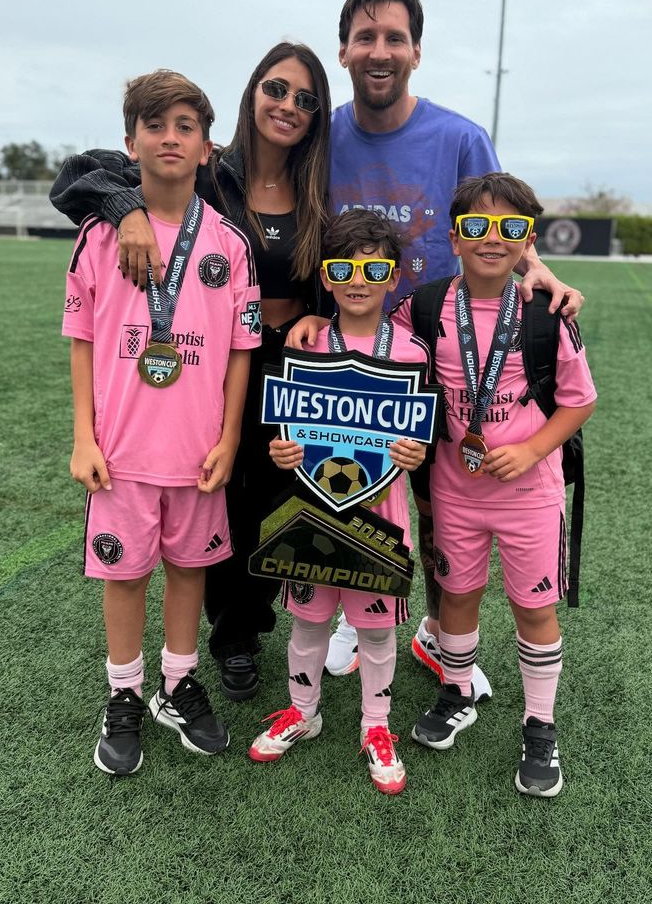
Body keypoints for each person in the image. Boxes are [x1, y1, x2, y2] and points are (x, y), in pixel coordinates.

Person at [286, 0, 584, 689]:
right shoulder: (321, 140)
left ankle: (427, 632)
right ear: (344, 51)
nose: (379, 50)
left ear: (416, 51)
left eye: (393, 37)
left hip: (443, 346)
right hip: (356, 349)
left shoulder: (459, 135)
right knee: (353, 485)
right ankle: (360, 623)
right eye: (365, 38)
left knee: (436, 500)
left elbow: (498, 216)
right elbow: (294, 224)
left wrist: (538, 273)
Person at [51, 43, 331, 701]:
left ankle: (259, 626)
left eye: (305, 97)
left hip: (285, 359)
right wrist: (125, 212)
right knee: (217, 500)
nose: (287, 105)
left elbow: (340, 260)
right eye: (276, 89)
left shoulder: (320, 183)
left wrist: (319, 314)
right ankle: (227, 640)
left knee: (268, 500)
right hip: (201, 356)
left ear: (316, 115)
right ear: (251, 95)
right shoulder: (213, 167)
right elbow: (76, 177)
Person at [62, 69, 261, 775]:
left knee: (189, 571)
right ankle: (124, 694)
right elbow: (82, 341)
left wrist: (232, 437)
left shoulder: (230, 246)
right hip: (118, 451)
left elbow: (240, 350)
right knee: (125, 579)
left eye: (185, 127)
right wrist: (84, 437)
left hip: (198, 450)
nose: (170, 138)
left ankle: (177, 684)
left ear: (208, 148)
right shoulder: (99, 236)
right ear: (130, 142)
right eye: (156, 126)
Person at [391, 172, 596, 797]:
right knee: (455, 599)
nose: (491, 239)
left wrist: (533, 449)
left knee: (534, 608)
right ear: (456, 237)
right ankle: (457, 690)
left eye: (509, 229)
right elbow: (371, 333)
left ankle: (540, 723)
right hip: (454, 493)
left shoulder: (546, 314)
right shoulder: (424, 307)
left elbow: (579, 401)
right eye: (477, 227)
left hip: (531, 495)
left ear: (526, 241)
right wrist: (314, 331)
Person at [248, 210, 428, 794]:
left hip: (380, 516)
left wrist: (414, 453)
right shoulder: (305, 341)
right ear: (326, 277)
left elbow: (419, 433)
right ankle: (304, 710)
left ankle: (376, 726)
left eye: (374, 268)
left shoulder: (411, 351)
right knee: (307, 621)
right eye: (344, 267)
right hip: (312, 511)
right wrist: (282, 453)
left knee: (376, 633)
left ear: (393, 276)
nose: (358, 279)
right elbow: (288, 430)